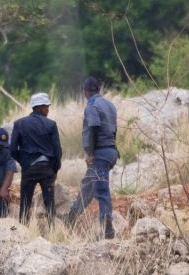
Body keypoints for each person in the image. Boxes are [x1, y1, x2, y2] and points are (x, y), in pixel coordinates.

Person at [65, 77, 119, 239]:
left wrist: (91, 153)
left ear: (85, 93)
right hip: (111, 151)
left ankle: (108, 229)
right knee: (89, 186)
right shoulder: (110, 105)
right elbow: (113, 129)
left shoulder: (92, 106)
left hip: (100, 154)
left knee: (101, 190)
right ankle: (71, 216)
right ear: (99, 90)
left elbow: (94, 127)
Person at [11, 92, 62, 225]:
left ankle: (22, 232)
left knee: (25, 202)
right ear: (39, 107)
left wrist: (24, 162)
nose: (48, 109)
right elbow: (58, 152)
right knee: (49, 202)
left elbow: (12, 150)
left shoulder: (19, 124)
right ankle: (52, 231)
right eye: (46, 107)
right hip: (47, 169)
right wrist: (54, 170)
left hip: (28, 168)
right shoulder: (51, 124)